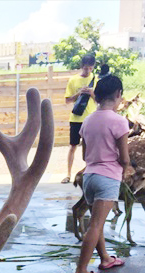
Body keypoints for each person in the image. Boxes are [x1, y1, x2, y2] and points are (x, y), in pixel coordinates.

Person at [72, 74, 130, 273]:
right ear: (118, 94)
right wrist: (126, 168)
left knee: (97, 223)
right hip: (108, 177)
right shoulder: (119, 121)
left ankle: (105, 258)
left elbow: (84, 155)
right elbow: (124, 157)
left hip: (89, 176)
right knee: (95, 225)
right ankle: (81, 272)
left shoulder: (87, 121)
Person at [63, 54, 96, 184]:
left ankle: (88, 172)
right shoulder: (73, 80)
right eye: (85, 68)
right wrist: (79, 93)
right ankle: (68, 174)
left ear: (93, 67)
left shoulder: (96, 80)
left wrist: (91, 93)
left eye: (90, 68)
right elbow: (67, 100)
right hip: (76, 118)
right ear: (81, 66)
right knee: (73, 146)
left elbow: (99, 100)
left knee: (90, 147)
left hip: (91, 118)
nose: (87, 70)